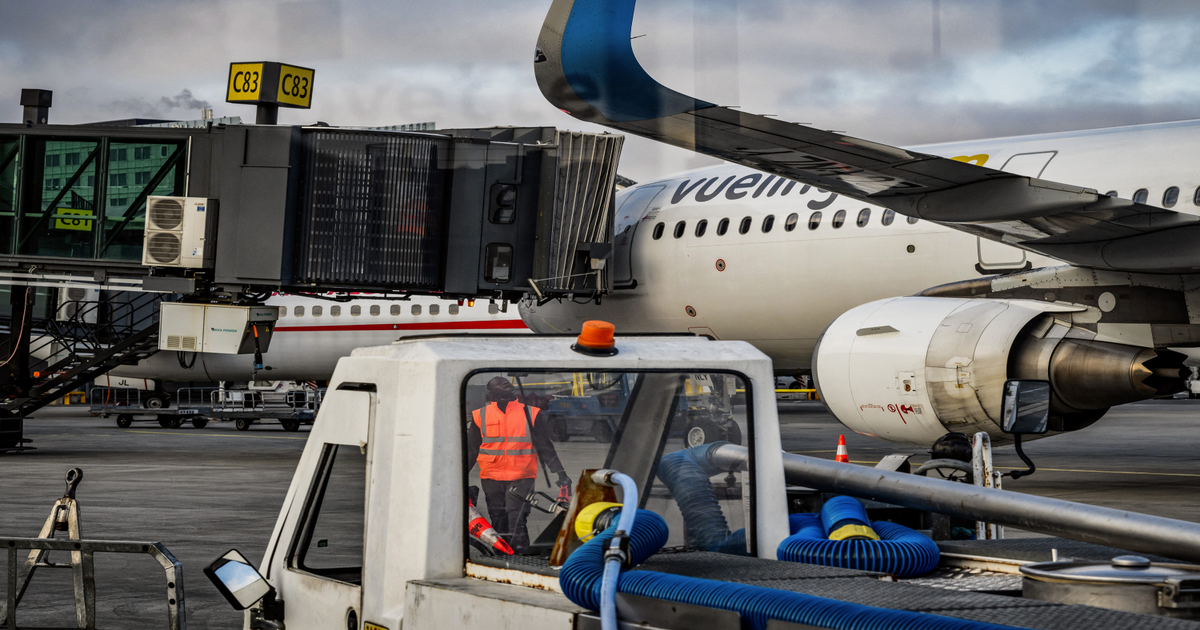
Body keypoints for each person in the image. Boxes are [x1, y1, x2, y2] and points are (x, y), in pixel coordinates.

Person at [467, 376, 570, 553]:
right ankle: (501, 557)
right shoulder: (480, 415)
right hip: (491, 477)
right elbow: (471, 450)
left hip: (522, 476)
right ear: (490, 392)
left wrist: (560, 472)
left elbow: (545, 446)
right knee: (498, 518)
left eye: (506, 381)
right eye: (499, 382)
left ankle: (520, 556)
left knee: (517, 519)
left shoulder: (531, 413)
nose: (505, 382)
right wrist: (459, 476)